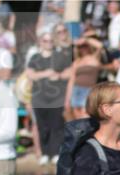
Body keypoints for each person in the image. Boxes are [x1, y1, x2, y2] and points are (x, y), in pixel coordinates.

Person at [26, 28, 71, 165]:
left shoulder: (60, 56)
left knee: (56, 125)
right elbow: (30, 74)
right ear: (41, 42)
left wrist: (59, 76)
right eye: (45, 41)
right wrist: (46, 73)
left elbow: (69, 72)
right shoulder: (35, 58)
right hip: (39, 98)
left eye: (51, 41)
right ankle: (45, 153)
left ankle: (56, 152)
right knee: (42, 126)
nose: (48, 43)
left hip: (57, 98)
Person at [66, 39, 103, 119]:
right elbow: (71, 80)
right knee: (77, 116)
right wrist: (67, 99)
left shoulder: (94, 58)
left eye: (84, 46)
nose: (83, 48)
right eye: (80, 47)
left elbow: (100, 45)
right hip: (76, 90)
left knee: (86, 114)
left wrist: (86, 39)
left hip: (88, 90)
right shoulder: (77, 62)